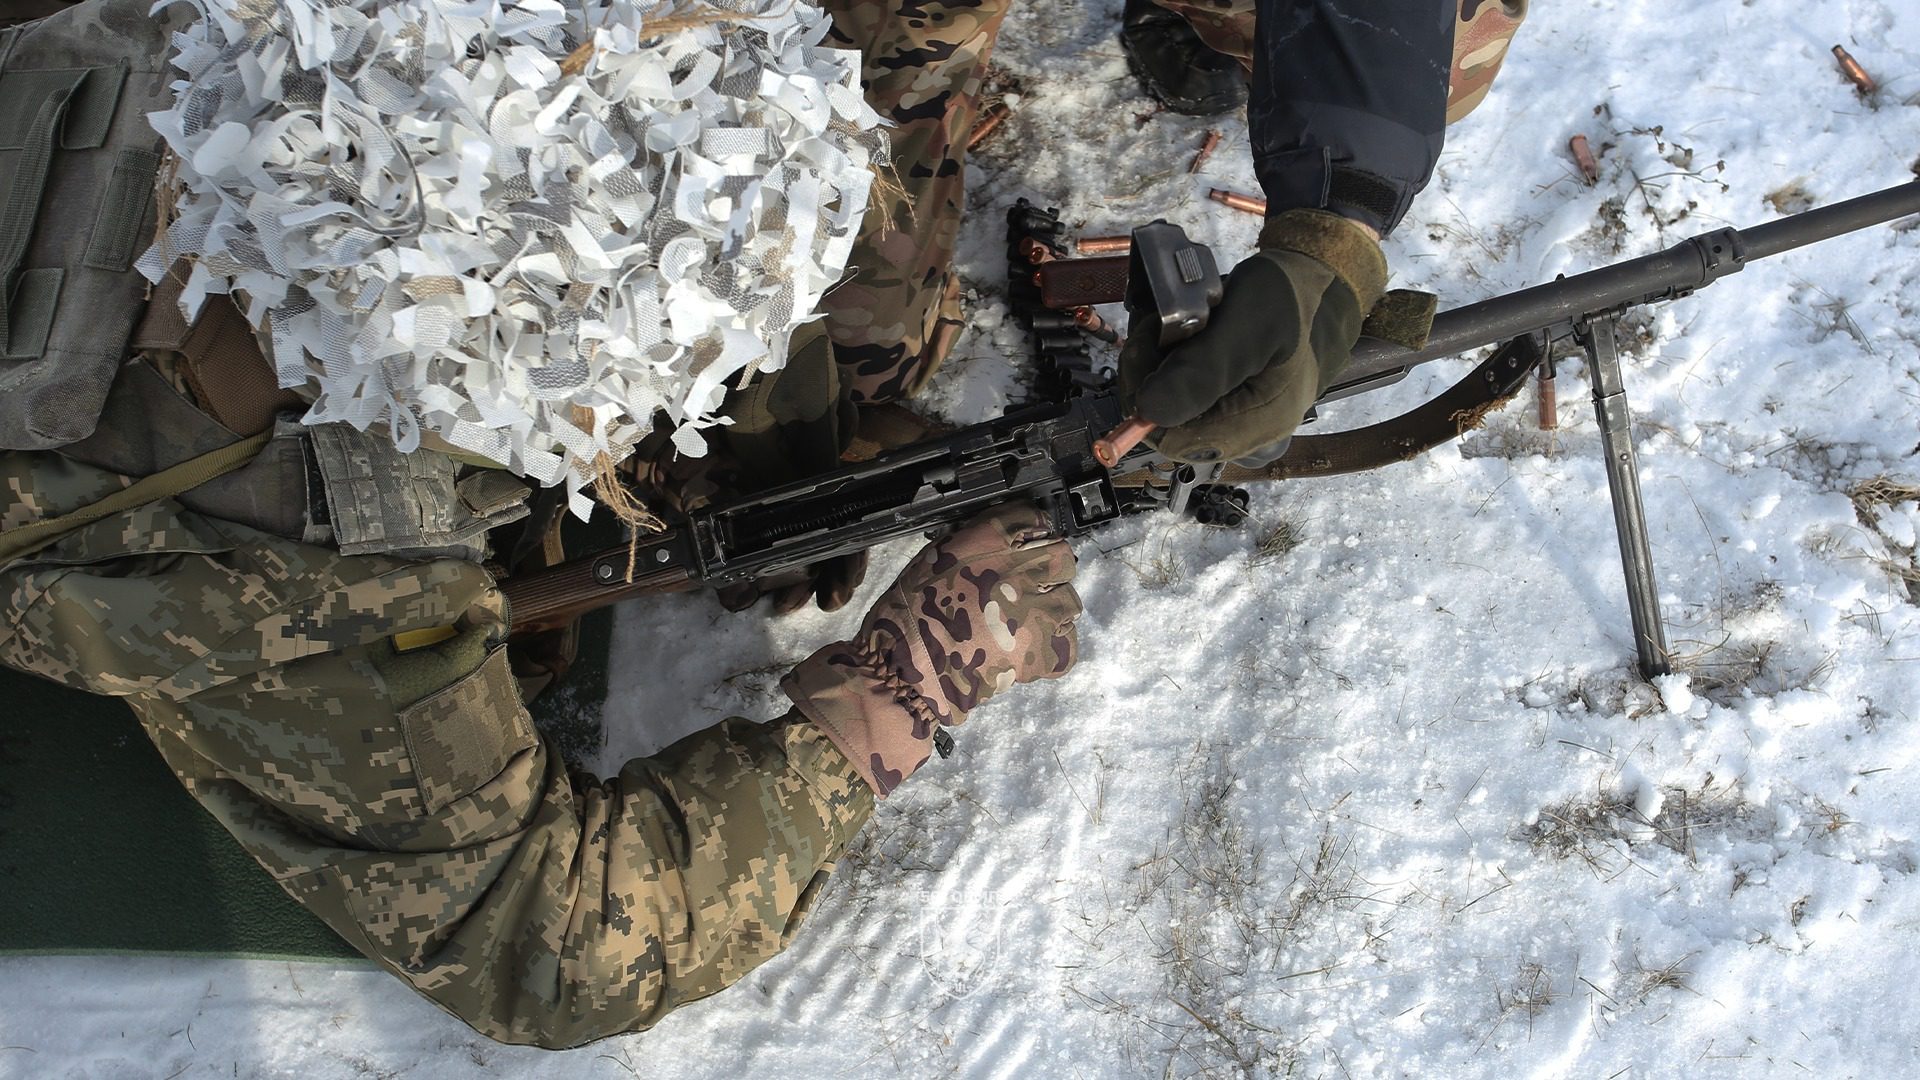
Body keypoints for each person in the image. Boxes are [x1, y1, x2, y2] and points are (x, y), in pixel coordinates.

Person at [0, 0, 1523, 1049]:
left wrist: (1342, 202)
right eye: (697, 372)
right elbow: (553, 944)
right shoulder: (315, 541)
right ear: (553, 399)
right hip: (147, 453)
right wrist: (919, 667)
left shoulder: (429, 49)